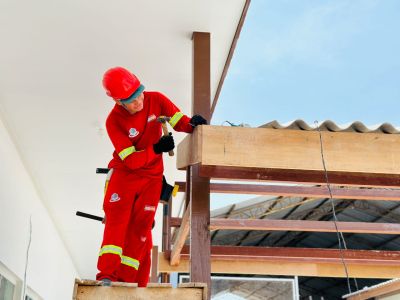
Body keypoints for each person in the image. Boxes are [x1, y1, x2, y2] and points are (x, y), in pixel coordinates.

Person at [96, 67, 206, 285]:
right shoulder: (113, 122)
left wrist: (192, 124)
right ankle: (107, 276)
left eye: (139, 94)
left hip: (152, 178)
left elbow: (179, 121)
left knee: (141, 228)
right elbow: (131, 161)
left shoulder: (156, 99)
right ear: (118, 102)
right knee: (117, 223)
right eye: (131, 100)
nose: (139, 101)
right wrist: (156, 149)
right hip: (124, 174)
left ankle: (126, 281)